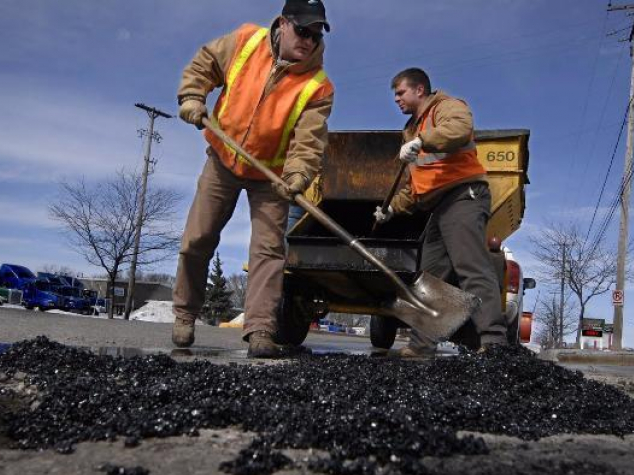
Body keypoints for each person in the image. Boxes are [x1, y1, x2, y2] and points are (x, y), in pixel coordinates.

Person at [172, 0, 334, 358]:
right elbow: (205, 63)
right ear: (284, 23)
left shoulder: (318, 86)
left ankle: (260, 329)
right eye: (303, 31)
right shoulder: (245, 41)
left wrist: (297, 176)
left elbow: (308, 142)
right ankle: (184, 314)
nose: (309, 40)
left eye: (316, 34)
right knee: (196, 240)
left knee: (268, 252)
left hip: (272, 178)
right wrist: (193, 96)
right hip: (222, 161)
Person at [374, 68, 508, 356]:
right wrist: (391, 210)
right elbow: (415, 185)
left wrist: (422, 141)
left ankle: (494, 343)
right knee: (431, 277)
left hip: (464, 196)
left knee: (472, 267)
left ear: (419, 89)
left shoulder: (446, 107)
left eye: (400, 93)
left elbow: (458, 130)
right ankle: (422, 345)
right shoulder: (411, 130)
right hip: (439, 205)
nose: (396, 100)